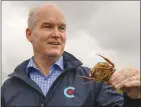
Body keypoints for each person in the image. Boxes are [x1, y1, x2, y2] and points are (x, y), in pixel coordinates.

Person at [1, 4, 140, 107]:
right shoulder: (9, 87)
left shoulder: (93, 80)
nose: (56, 34)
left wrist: (134, 99)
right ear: (29, 34)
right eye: (47, 26)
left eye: (61, 28)